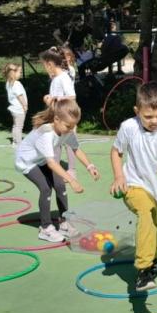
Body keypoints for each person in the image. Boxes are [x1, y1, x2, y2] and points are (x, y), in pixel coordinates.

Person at [110, 82, 157, 291]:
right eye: (148, 117)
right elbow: (116, 152)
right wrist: (118, 176)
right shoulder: (129, 127)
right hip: (134, 185)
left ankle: (151, 260)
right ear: (137, 111)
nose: (154, 121)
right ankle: (143, 270)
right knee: (146, 212)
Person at [16, 99, 100, 243]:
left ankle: (64, 223)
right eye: (68, 126)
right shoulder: (46, 135)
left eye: (74, 126)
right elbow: (52, 163)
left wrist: (90, 166)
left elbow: (76, 149)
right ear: (56, 119)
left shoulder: (67, 130)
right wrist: (72, 180)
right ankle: (46, 228)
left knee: (60, 186)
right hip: (27, 162)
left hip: (41, 160)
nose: (71, 129)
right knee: (46, 188)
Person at [41, 46, 78, 176]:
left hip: (67, 116)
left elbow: (72, 96)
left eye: (45, 65)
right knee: (55, 143)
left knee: (69, 144)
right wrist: (49, 100)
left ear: (50, 64)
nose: (44, 69)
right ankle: (55, 169)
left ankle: (72, 170)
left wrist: (56, 98)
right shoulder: (55, 79)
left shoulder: (64, 77)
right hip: (56, 117)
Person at [2, 62, 28, 148]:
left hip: (13, 109)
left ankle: (15, 141)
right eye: (19, 72)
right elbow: (20, 96)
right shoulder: (17, 84)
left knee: (15, 125)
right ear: (13, 73)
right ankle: (19, 143)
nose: (20, 74)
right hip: (19, 109)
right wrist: (24, 105)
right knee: (19, 127)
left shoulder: (8, 83)